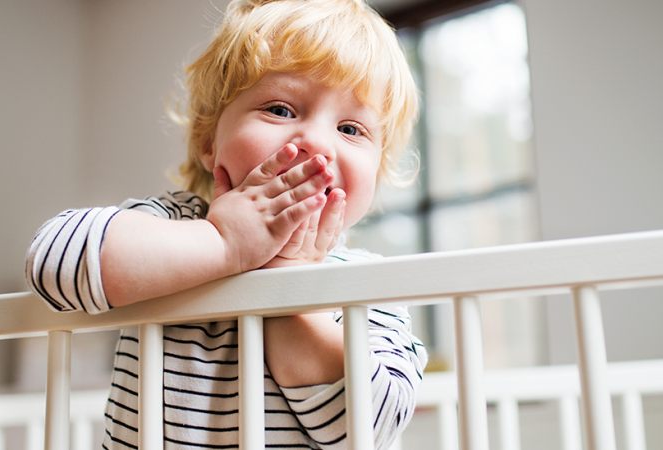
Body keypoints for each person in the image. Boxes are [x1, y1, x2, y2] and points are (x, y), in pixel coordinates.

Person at [26, 0, 428, 448]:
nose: (316, 141)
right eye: (280, 109)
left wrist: (287, 282)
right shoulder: (175, 225)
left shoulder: (369, 288)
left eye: (352, 129)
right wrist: (224, 243)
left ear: (377, 170)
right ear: (208, 141)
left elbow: (366, 431)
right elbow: (52, 263)